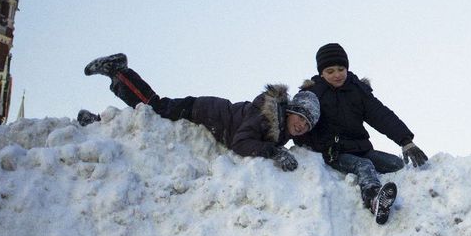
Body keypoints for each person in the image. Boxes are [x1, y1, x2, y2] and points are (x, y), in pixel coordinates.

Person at [78, 53, 318, 172]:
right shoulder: (265, 116)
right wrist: (273, 152)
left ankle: (99, 126)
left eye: (308, 126)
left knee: (149, 123)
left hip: (208, 114)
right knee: (154, 109)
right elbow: (241, 142)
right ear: (291, 112)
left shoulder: (278, 129)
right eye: (301, 119)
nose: (302, 126)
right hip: (201, 111)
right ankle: (119, 72)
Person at [295, 42, 428, 225]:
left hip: (360, 147)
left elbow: (381, 115)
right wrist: (317, 148)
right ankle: (373, 198)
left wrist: (406, 141)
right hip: (334, 153)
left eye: (341, 69)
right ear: (321, 73)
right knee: (364, 165)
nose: (337, 75)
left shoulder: (357, 90)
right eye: (330, 71)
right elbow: (299, 125)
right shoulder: (313, 94)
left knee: (396, 164)